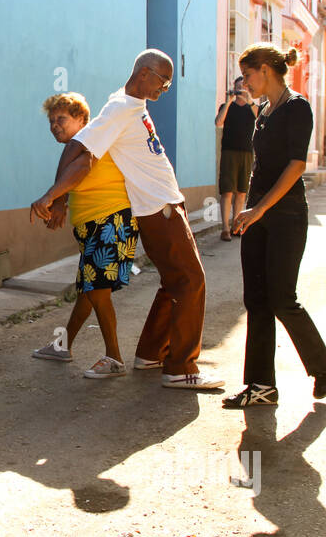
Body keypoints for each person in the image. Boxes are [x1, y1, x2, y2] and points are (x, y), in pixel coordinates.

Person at [31, 49, 224, 390]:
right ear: (145, 73)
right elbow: (79, 150)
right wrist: (55, 196)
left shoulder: (129, 106)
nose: (165, 88)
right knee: (191, 281)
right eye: (163, 81)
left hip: (158, 206)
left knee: (173, 282)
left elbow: (82, 148)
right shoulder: (120, 108)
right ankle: (180, 367)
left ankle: (150, 353)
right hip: (157, 208)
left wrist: (58, 197)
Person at [223, 44, 326, 408]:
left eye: (248, 74)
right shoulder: (263, 111)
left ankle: (322, 363)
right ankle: (261, 386)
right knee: (255, 300)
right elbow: (261, 166)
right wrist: (251, 211)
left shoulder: (297, 107)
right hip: (257, 215)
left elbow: (296, 165)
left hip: (286, 215)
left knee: (282, 299)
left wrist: (259, 209)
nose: (244, 82)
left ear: (267, 70)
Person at [30, 92, 139, 377]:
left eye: (62, 119)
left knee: (96, 291)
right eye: (51, 121)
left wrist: (52, 196)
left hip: (109, 221)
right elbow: (74, 172)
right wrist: (62, 201)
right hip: (95, 226)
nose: (55, 125)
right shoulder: (80, 146)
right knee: (88, 292)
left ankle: (114, 357)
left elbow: (82, 168)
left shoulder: (93, 139)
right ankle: (62, 346)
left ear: (81, 119)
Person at [216, 75, 256, 241]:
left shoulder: (251, 107)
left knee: (241, 192)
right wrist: (228, 101)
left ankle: (236, 226)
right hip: (229, 152)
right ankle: (225, 228)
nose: (240, 91)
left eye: (243, 87)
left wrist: (250, 100)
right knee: (227, 191)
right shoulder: (227, 106)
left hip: (247, 152)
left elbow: (260, 117)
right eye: (238, 87)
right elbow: (218, 122)